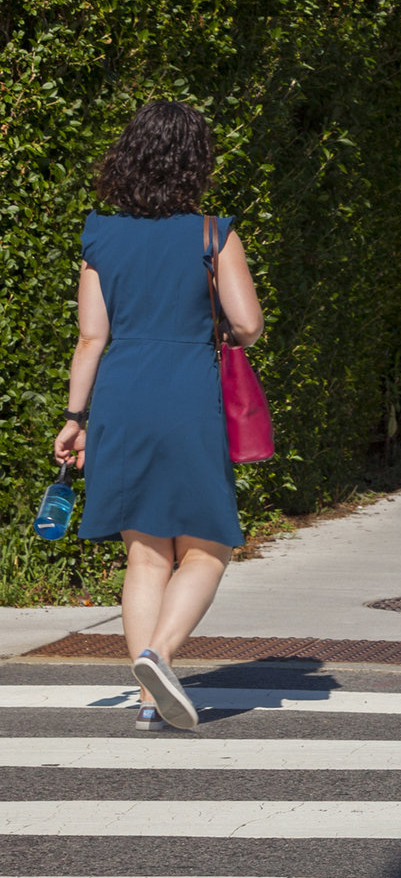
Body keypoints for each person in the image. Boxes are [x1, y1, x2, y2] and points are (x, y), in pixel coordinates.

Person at [53, 100, 266, 732]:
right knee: (210, 544)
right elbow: (249, 325)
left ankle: (149, 703)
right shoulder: (212, 233)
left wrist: (75, 417)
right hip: (188, 394)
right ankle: (159, 655)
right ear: (195, 162)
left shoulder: (100, 233)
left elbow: (91, 339)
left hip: (121, 395)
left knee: (145, 556)